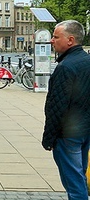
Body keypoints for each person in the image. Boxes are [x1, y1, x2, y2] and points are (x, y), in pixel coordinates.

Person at [42, 20, 90, 200]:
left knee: (74, 182)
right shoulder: (87, 61)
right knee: (80, 176)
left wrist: (48, 138)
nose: (52, 41)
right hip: (85, 131)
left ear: (70, 40)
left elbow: (56, 106)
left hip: (68, 134)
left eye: (56, 37)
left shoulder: (65, 67)